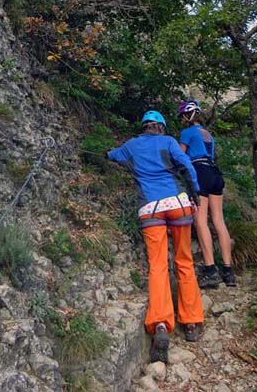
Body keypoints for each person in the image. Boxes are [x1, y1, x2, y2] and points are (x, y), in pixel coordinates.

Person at [107, 110, 204, 363]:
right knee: (184, 261)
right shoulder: (169, 141)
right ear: (160, 127)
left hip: (150, 208)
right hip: (177, 204)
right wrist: (194, 192)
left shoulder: (132, 145)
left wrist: (107, 153)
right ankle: (191, 322)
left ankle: (161, 323)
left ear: (144, 127)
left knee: (158, 265)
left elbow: (114, 156)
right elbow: (185, 165)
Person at [178, 100, 236, 288]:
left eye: (182, 116)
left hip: (199, 172)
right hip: (214, 172)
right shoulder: (207, 133)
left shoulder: (187, 132)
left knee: (200, 220)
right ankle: (229, 272)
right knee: (219, 221)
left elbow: (180, 156)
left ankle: (210, 270)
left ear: (188, 116)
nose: (181, 120)